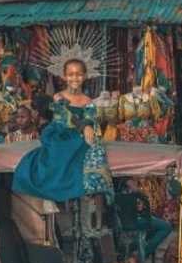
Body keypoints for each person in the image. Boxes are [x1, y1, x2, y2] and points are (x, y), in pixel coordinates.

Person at [12, 59, 113, 203]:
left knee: (90, 146)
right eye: (70, 74)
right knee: (60, 149)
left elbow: (90, 118)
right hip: (60, 131)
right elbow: (65, 117)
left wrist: (88, 125)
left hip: (80, 133)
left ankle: (88, 190)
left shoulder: (88, 100)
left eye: (78, 74)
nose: (75, 78)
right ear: (65, 77)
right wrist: (85, 126)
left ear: (84, 76)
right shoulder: (59, 97)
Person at [115, 177, 173, 263]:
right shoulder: (125, 181)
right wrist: (136, 190)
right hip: (133, 220)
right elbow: (137, 192)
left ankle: (137, 252)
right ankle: (139, 256)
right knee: (166, 227)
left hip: (125, 221)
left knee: (152, 229)